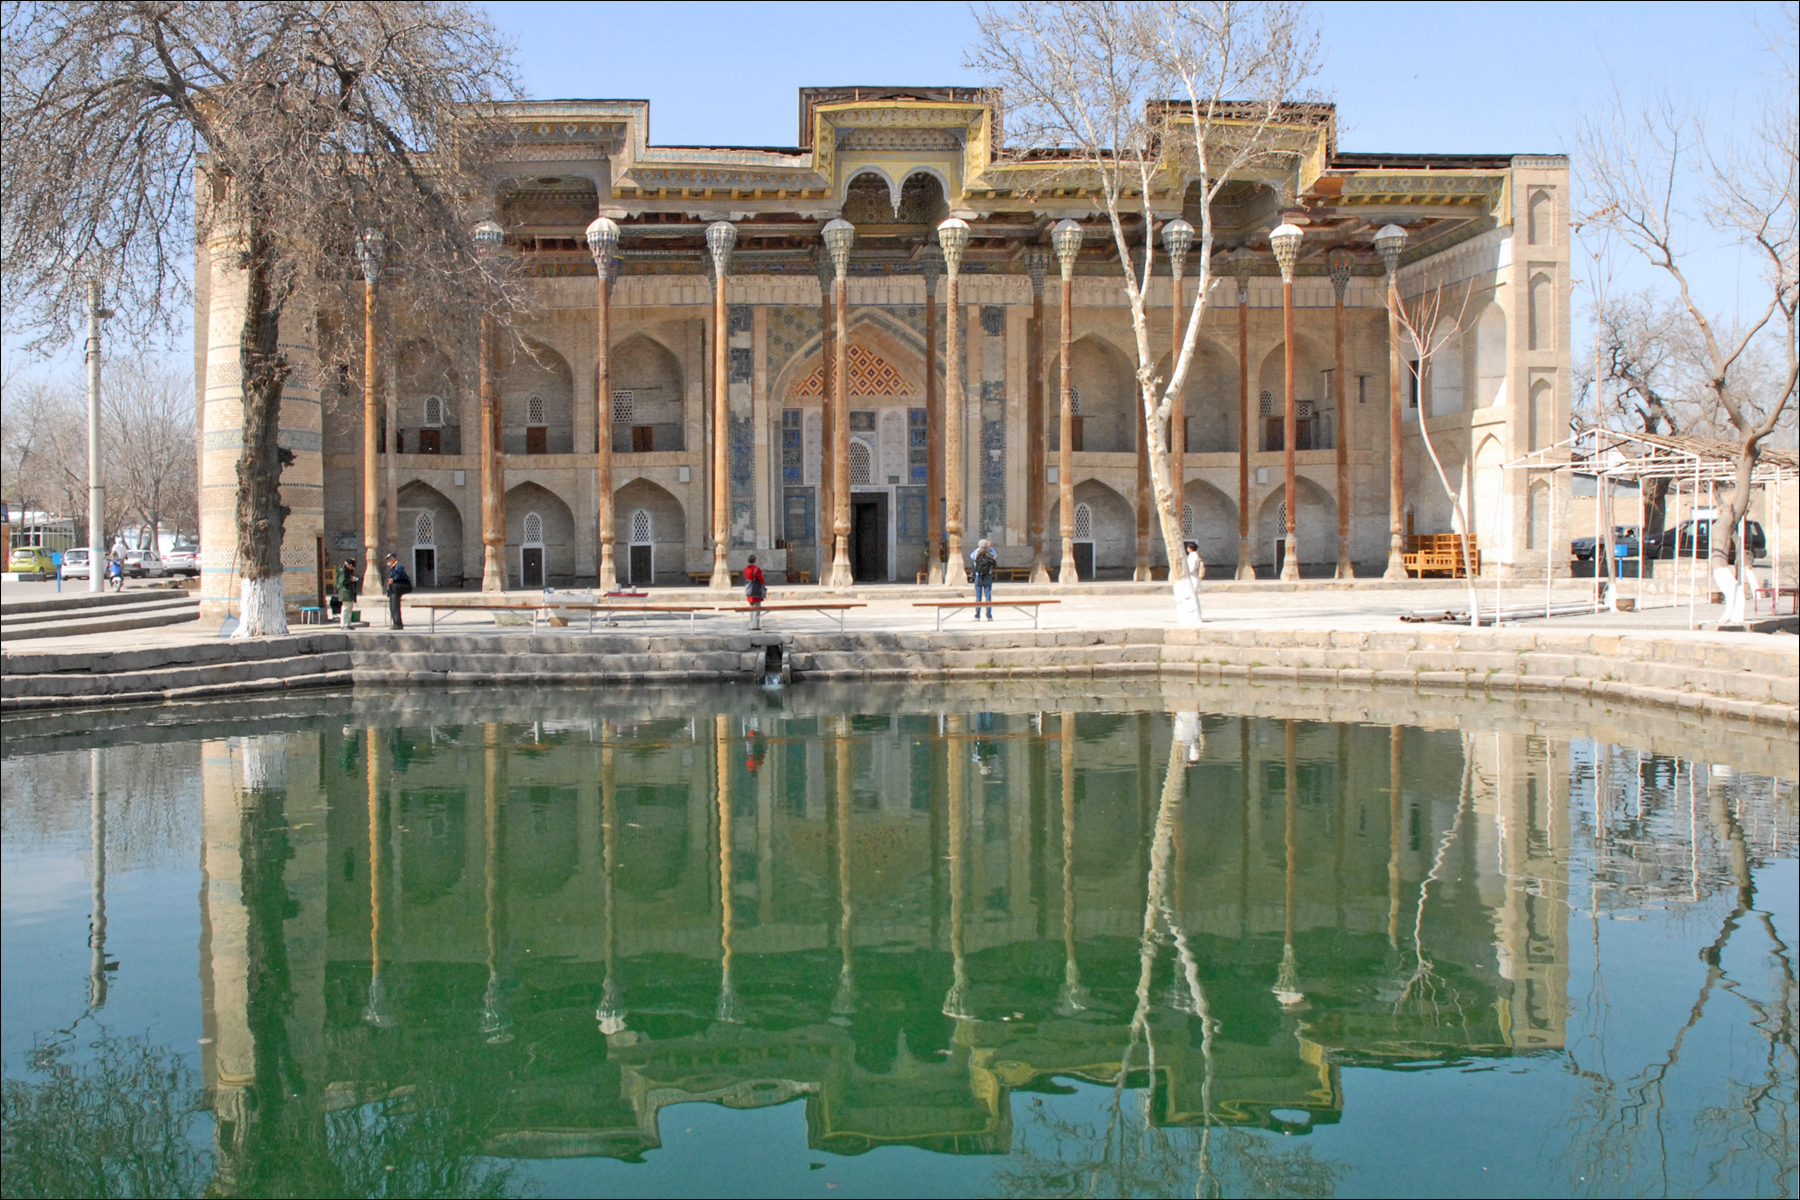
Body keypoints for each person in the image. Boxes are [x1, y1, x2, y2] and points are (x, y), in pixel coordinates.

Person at [383, 552, 412, 630]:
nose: (387, 561)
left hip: (397, 589)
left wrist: (394, 579)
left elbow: (400, 575)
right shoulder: (392, 567)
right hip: (393, 590)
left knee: (395, 607)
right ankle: (395, 623)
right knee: (392, 607)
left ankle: (398, 624)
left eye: (388, 559)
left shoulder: (398, 566)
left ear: (393, 559)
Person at [971, 539, 996, 620]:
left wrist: (979, 548)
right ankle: (989, 615)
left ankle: (977, 615)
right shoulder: (990, 554)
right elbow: (995, 555)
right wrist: (989, 548)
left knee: (978, 597)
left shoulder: (976, 554)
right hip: (988, 576)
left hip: (979, 577)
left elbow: (971, 556)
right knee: (988, 596)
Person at [334, 557, 360, 627]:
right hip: (345, 592)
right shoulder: (343, 570)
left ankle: (348, 624)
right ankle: (344, 624)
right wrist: (351, 579)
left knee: (349, 609)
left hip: (349, 592)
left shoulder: (348, 571)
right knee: (345, 609)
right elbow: (342, 582)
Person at [743, 554, 767, 629]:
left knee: (751, 608)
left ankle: (751, 624)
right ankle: (755, 625)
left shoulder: (746, 569)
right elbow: (761, 579)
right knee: (757, 608)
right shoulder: (756, 569)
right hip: (756, 589)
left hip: (749, 588)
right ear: (755, 560)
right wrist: (763, 586)